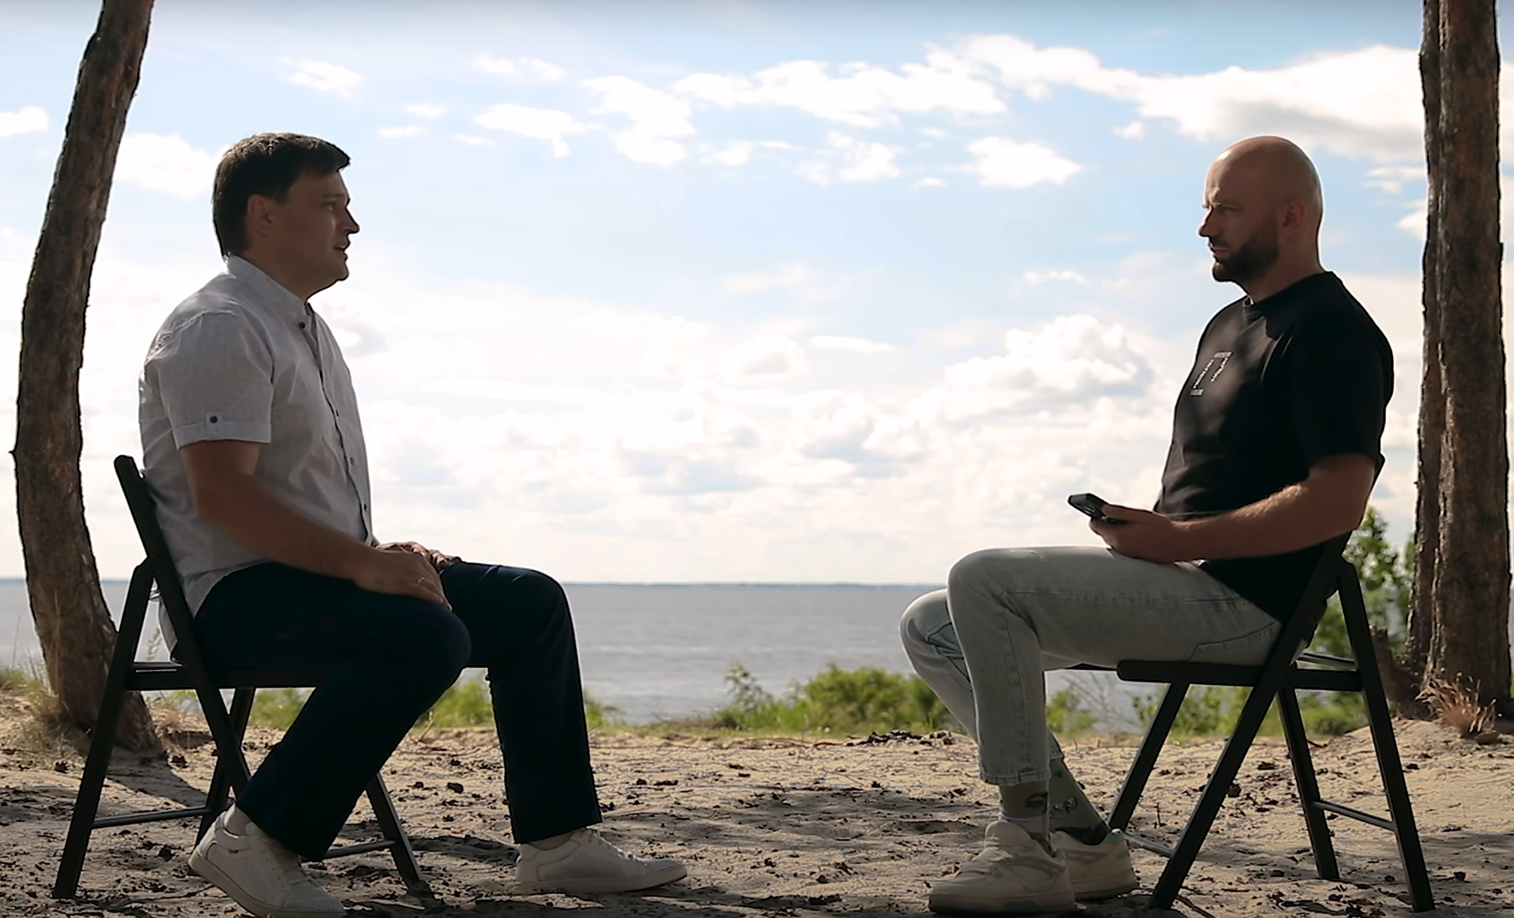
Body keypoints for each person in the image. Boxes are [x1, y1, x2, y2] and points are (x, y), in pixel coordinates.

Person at [139, 132, 687, 918]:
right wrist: (361, 566)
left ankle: (558, 843)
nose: (351, 224)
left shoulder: (301, 328)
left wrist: (372, 553)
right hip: (232, 602)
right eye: (330, 205)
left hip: (306, 578)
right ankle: (253, 838)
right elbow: (225, 497)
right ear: (264, 214)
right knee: (425, 634)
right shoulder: (218, 324)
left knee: (526, 602)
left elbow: (292, 495)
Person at [899, 135, 1393, 915]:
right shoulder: (1227, 325)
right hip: (1181, 578)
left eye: (1227, 209)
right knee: (932, 626)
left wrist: (1180, 542)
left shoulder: (1331, 330)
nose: (1206, 226)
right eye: (1206, 208)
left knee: (982, 579)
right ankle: (1083, 844)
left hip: (1247, 610)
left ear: (1291, 217)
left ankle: (1025, 848)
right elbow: (1220, 486)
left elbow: (1338, 501)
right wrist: (1150, 532)